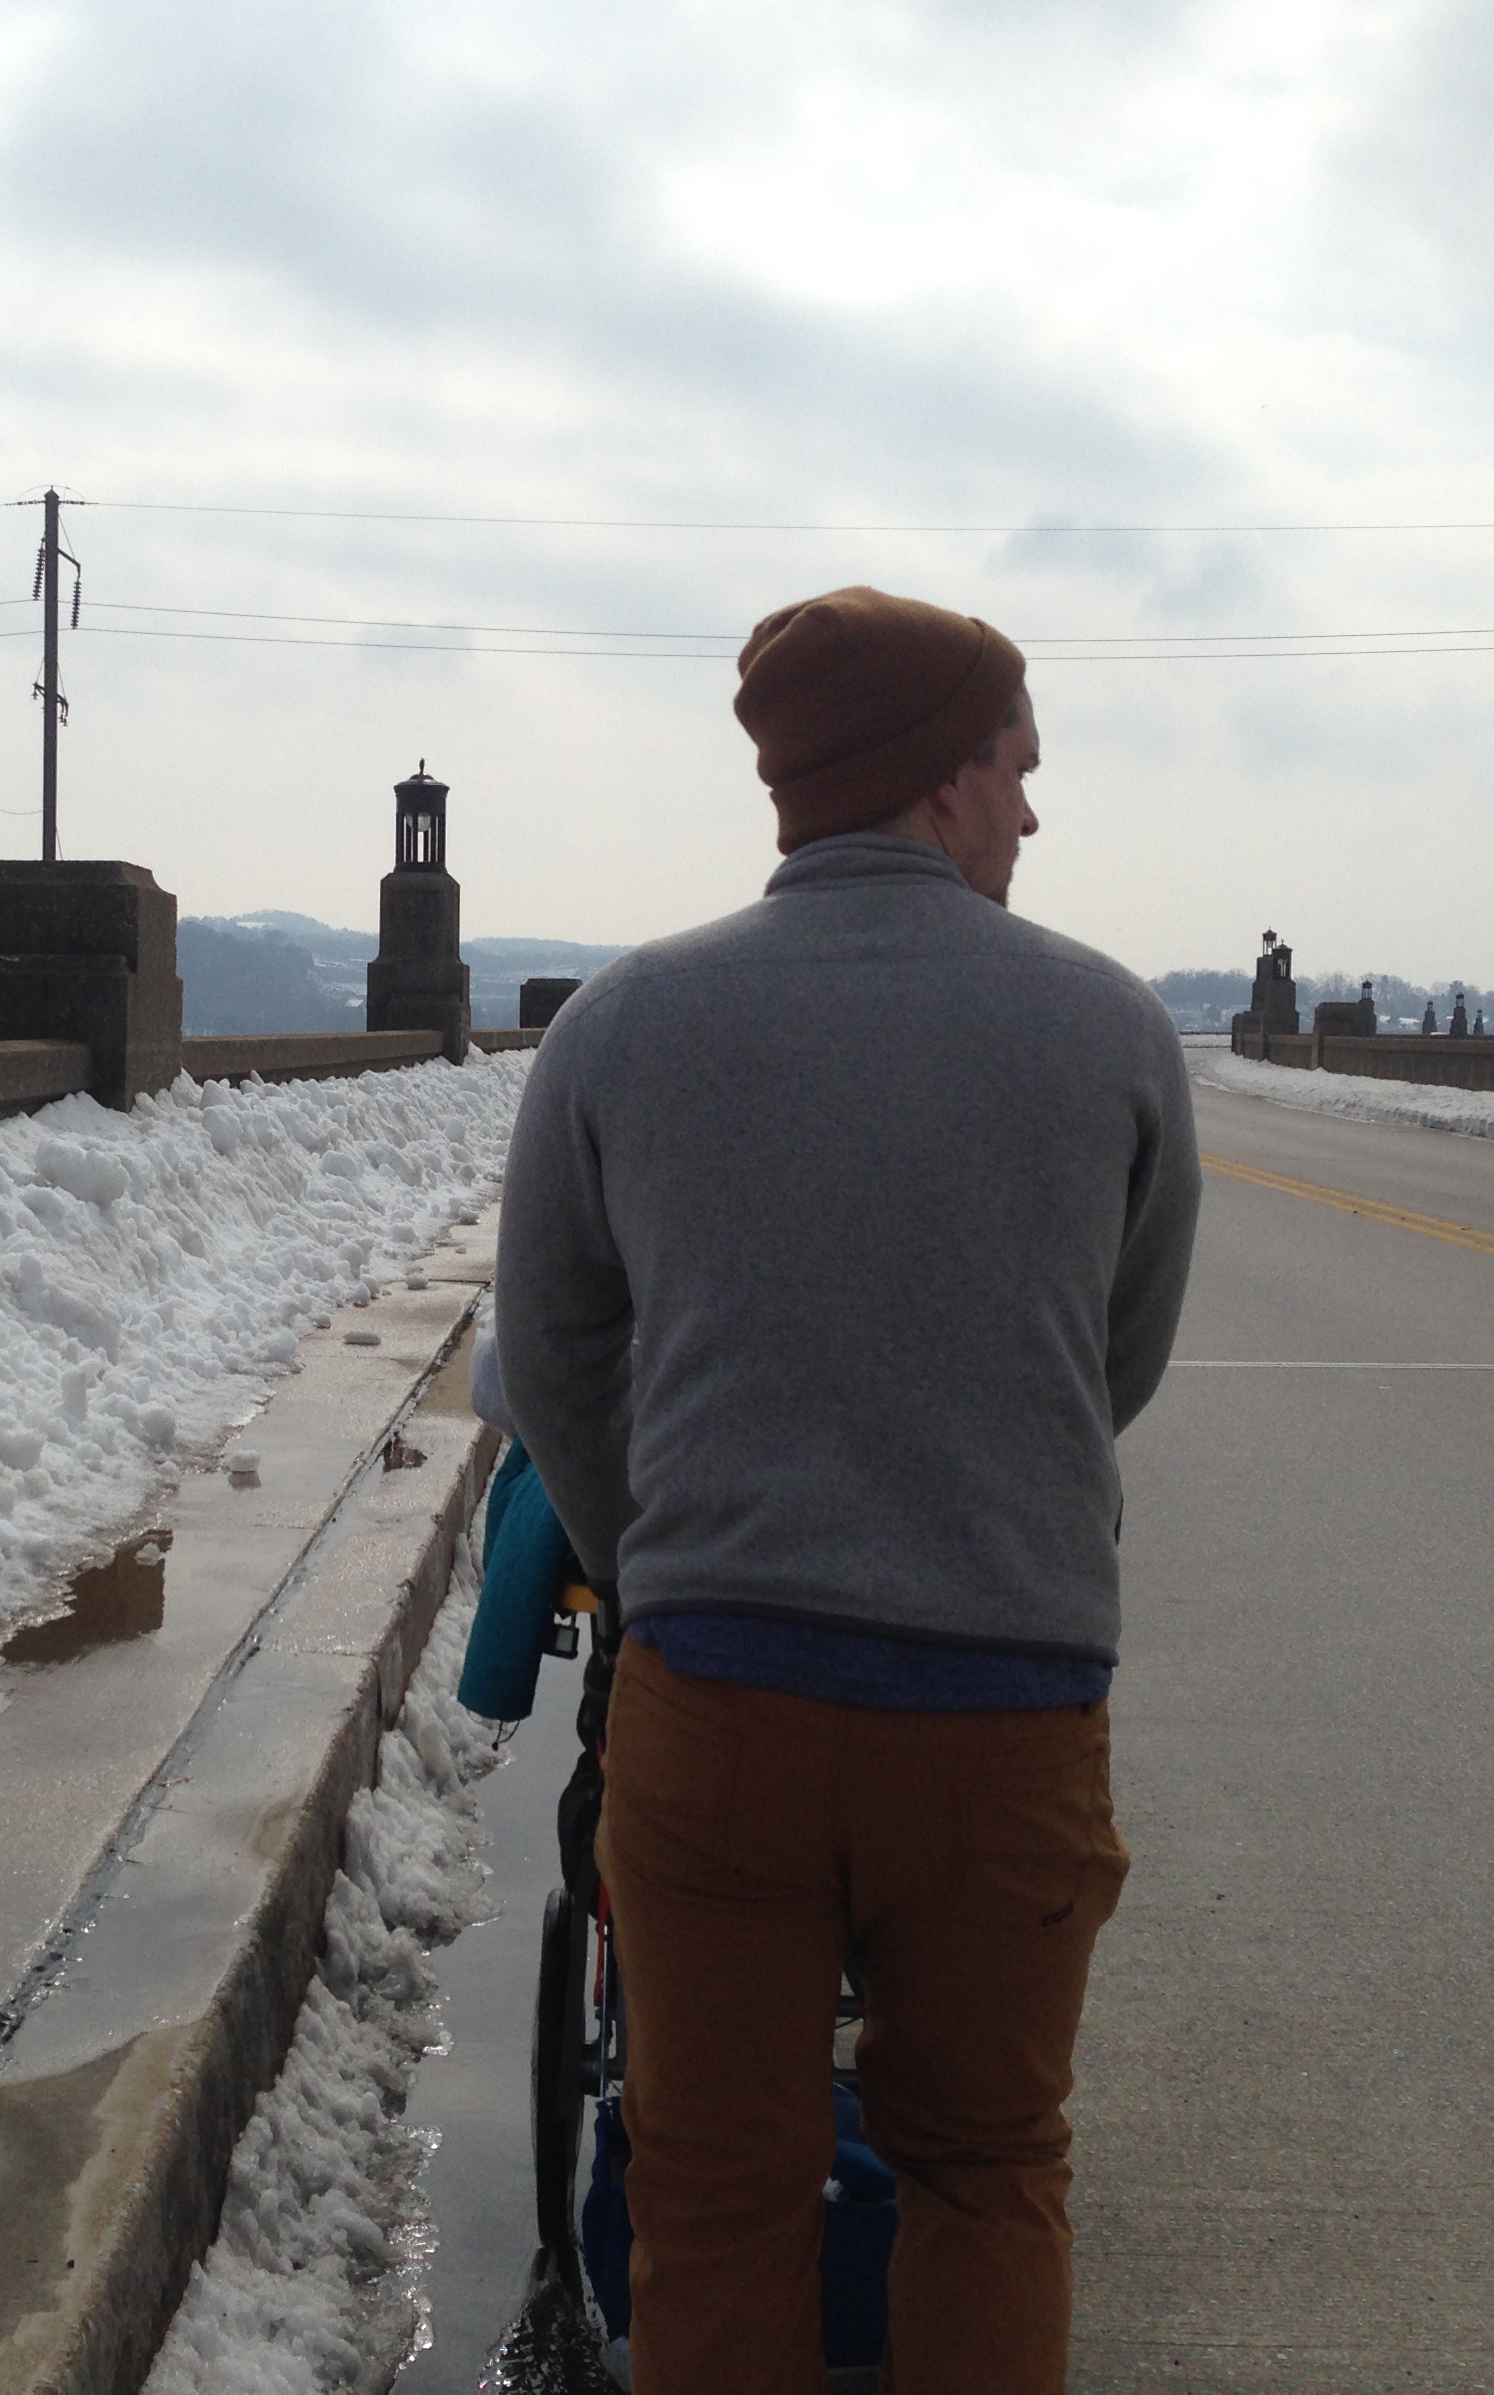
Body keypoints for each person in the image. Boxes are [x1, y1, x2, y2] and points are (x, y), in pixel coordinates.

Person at [495, 585, 1200, 2395]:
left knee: (717, 2194)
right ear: (939, 778)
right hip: (1006, 1710)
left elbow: (555, 1359)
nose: (1032, 810)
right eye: (1017, 767)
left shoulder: (622, 1025)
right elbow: (1112, 1362)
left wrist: (655, 1561)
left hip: (720, 1703)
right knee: (987, 2170)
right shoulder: (1111, 1031)